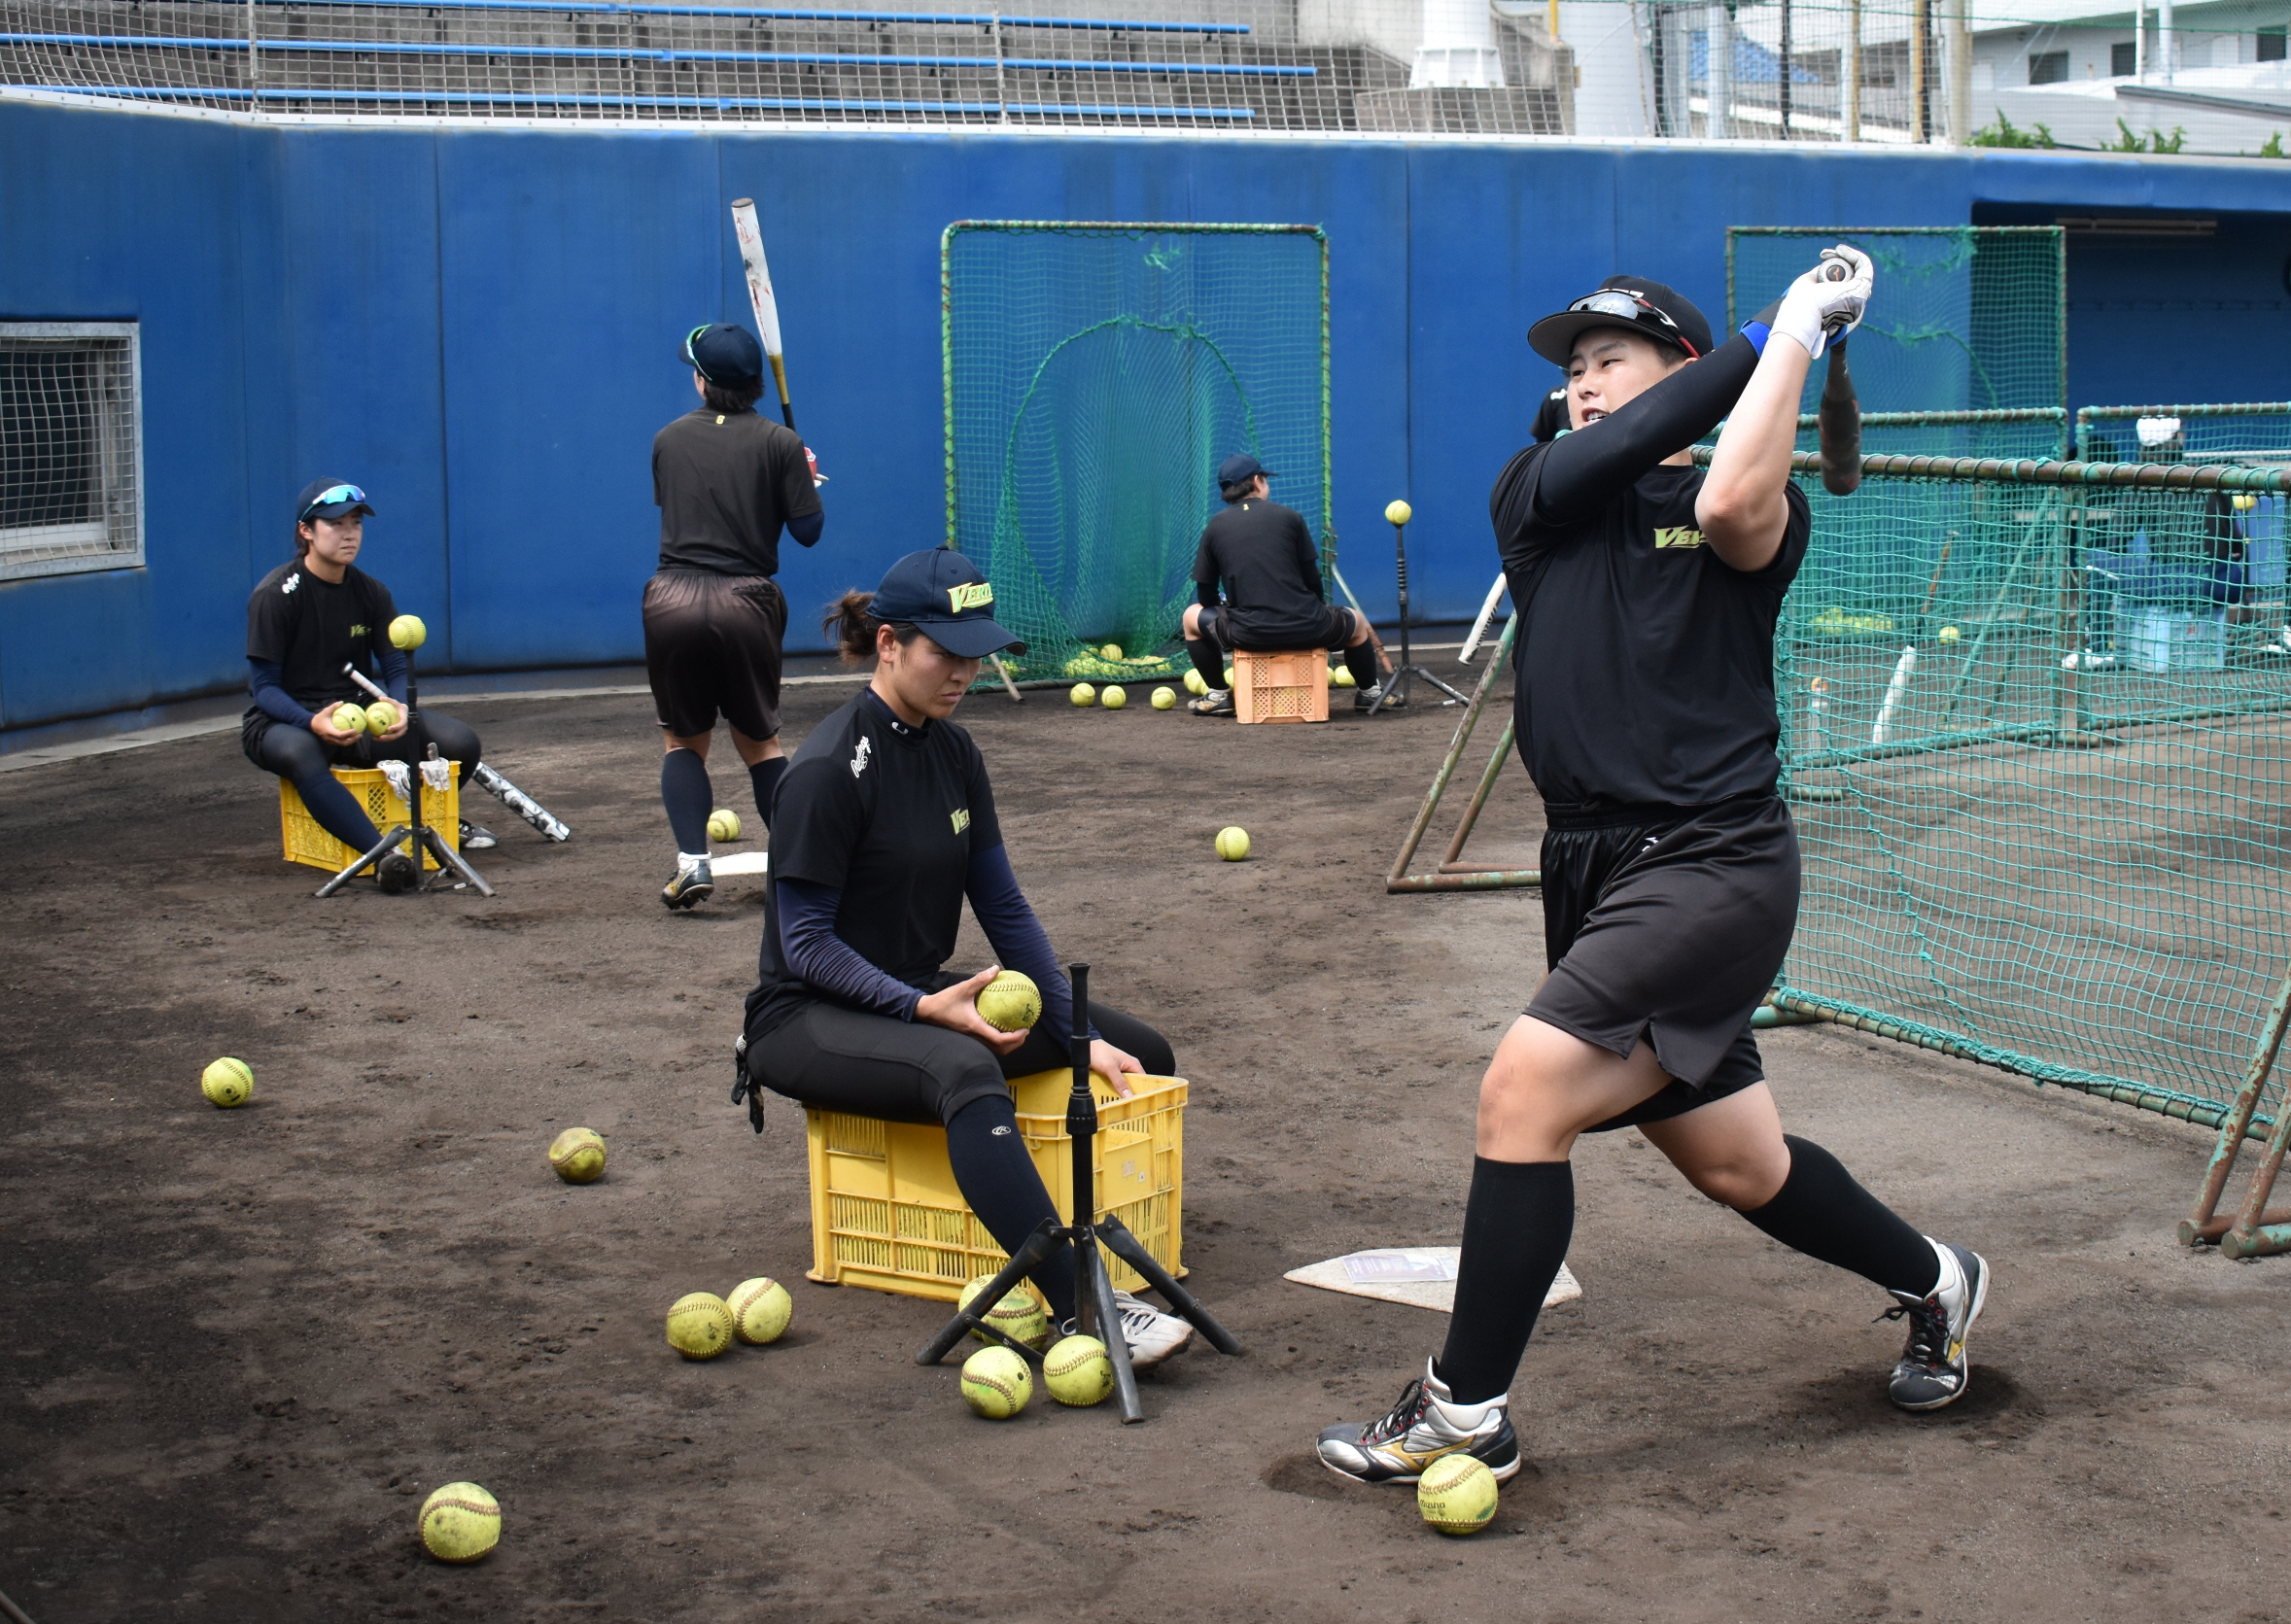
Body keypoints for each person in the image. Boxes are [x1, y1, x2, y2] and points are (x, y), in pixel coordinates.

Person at [1315, 257, 1991, 1489]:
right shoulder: (1538, 493)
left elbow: (1734, 497)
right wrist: (1765, 331)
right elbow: (1604, 450)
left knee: (1521, 1096)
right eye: (1570, 370)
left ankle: (1461, 1412)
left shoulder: (1748, 506)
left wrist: (1785, 341)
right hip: (1587, 870)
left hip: (1711, 860)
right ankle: (1938, 1279)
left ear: (1682, 374)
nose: (1580, 387)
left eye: (1608, 362)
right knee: (1738, 1163)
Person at [740, 548, 1195, 1365]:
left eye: (975, 654)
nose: (964, 672)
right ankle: (1084, 1304)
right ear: (887, 644)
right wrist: (923, 1007)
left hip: (916, 997)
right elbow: (804, 944)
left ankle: (1070, 1229)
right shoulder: (823, 772)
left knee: (1137, 1053)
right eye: (944, 653)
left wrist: (1075, 1028)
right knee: (961, 1069)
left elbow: (1005, 909)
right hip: (808, 1014)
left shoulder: (955, 752)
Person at [647, 322, 825, 910]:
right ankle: (804, 872)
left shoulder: (668, 438)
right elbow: (808, 533)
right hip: (746, 601)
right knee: (760, 746)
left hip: (671, 598)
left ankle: (692, 864)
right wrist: (802, 476)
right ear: (754, 384)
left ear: (704, 383)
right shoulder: (779, 442)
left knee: (683, 742)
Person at [241, 479, 492, 894]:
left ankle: (428, 824)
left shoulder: (370, 591)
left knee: (459, 742)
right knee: (302, 752)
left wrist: (395, 704)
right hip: (283, 719)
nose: (349, 534)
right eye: (335, 524)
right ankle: (385, 857)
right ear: (306, 531)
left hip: (357, 711)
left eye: (355, 523)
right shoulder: (276, 595)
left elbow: (393, 659)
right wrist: (311, 721)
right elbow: (264, 687)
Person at [1182, 453, 1386, 716]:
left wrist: (1224, 605)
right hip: (1309, 628)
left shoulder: (1214, 526)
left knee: (1190, 617)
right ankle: (1370, 694)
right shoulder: (1290, 517)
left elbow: (1205, 593)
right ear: (1257, 481)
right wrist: (1315, 613)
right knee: (1356, 622)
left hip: (1247, 634)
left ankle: (1218, 695)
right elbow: (1313, 581)